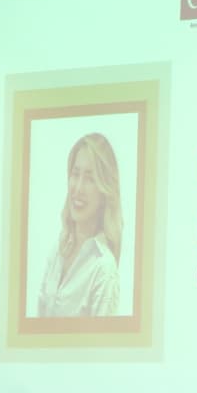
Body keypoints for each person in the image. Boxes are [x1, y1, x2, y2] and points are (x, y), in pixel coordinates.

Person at [36, 132, 122, 317]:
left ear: (105, 191)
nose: (78, 188)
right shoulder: (58, 250)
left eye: (90, 179)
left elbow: (103, 337)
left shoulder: (104, 270)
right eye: (75, 174)